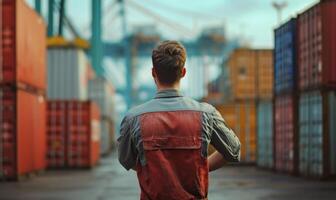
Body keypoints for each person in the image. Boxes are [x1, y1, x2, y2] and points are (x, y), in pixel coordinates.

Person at [118, 40, 241, 200]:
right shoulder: (206, 113)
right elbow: (234, 150)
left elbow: (125, 160)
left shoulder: (133, 118)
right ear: (183, 72)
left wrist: (155, 170)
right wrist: (201, 167)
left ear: (153, 72)